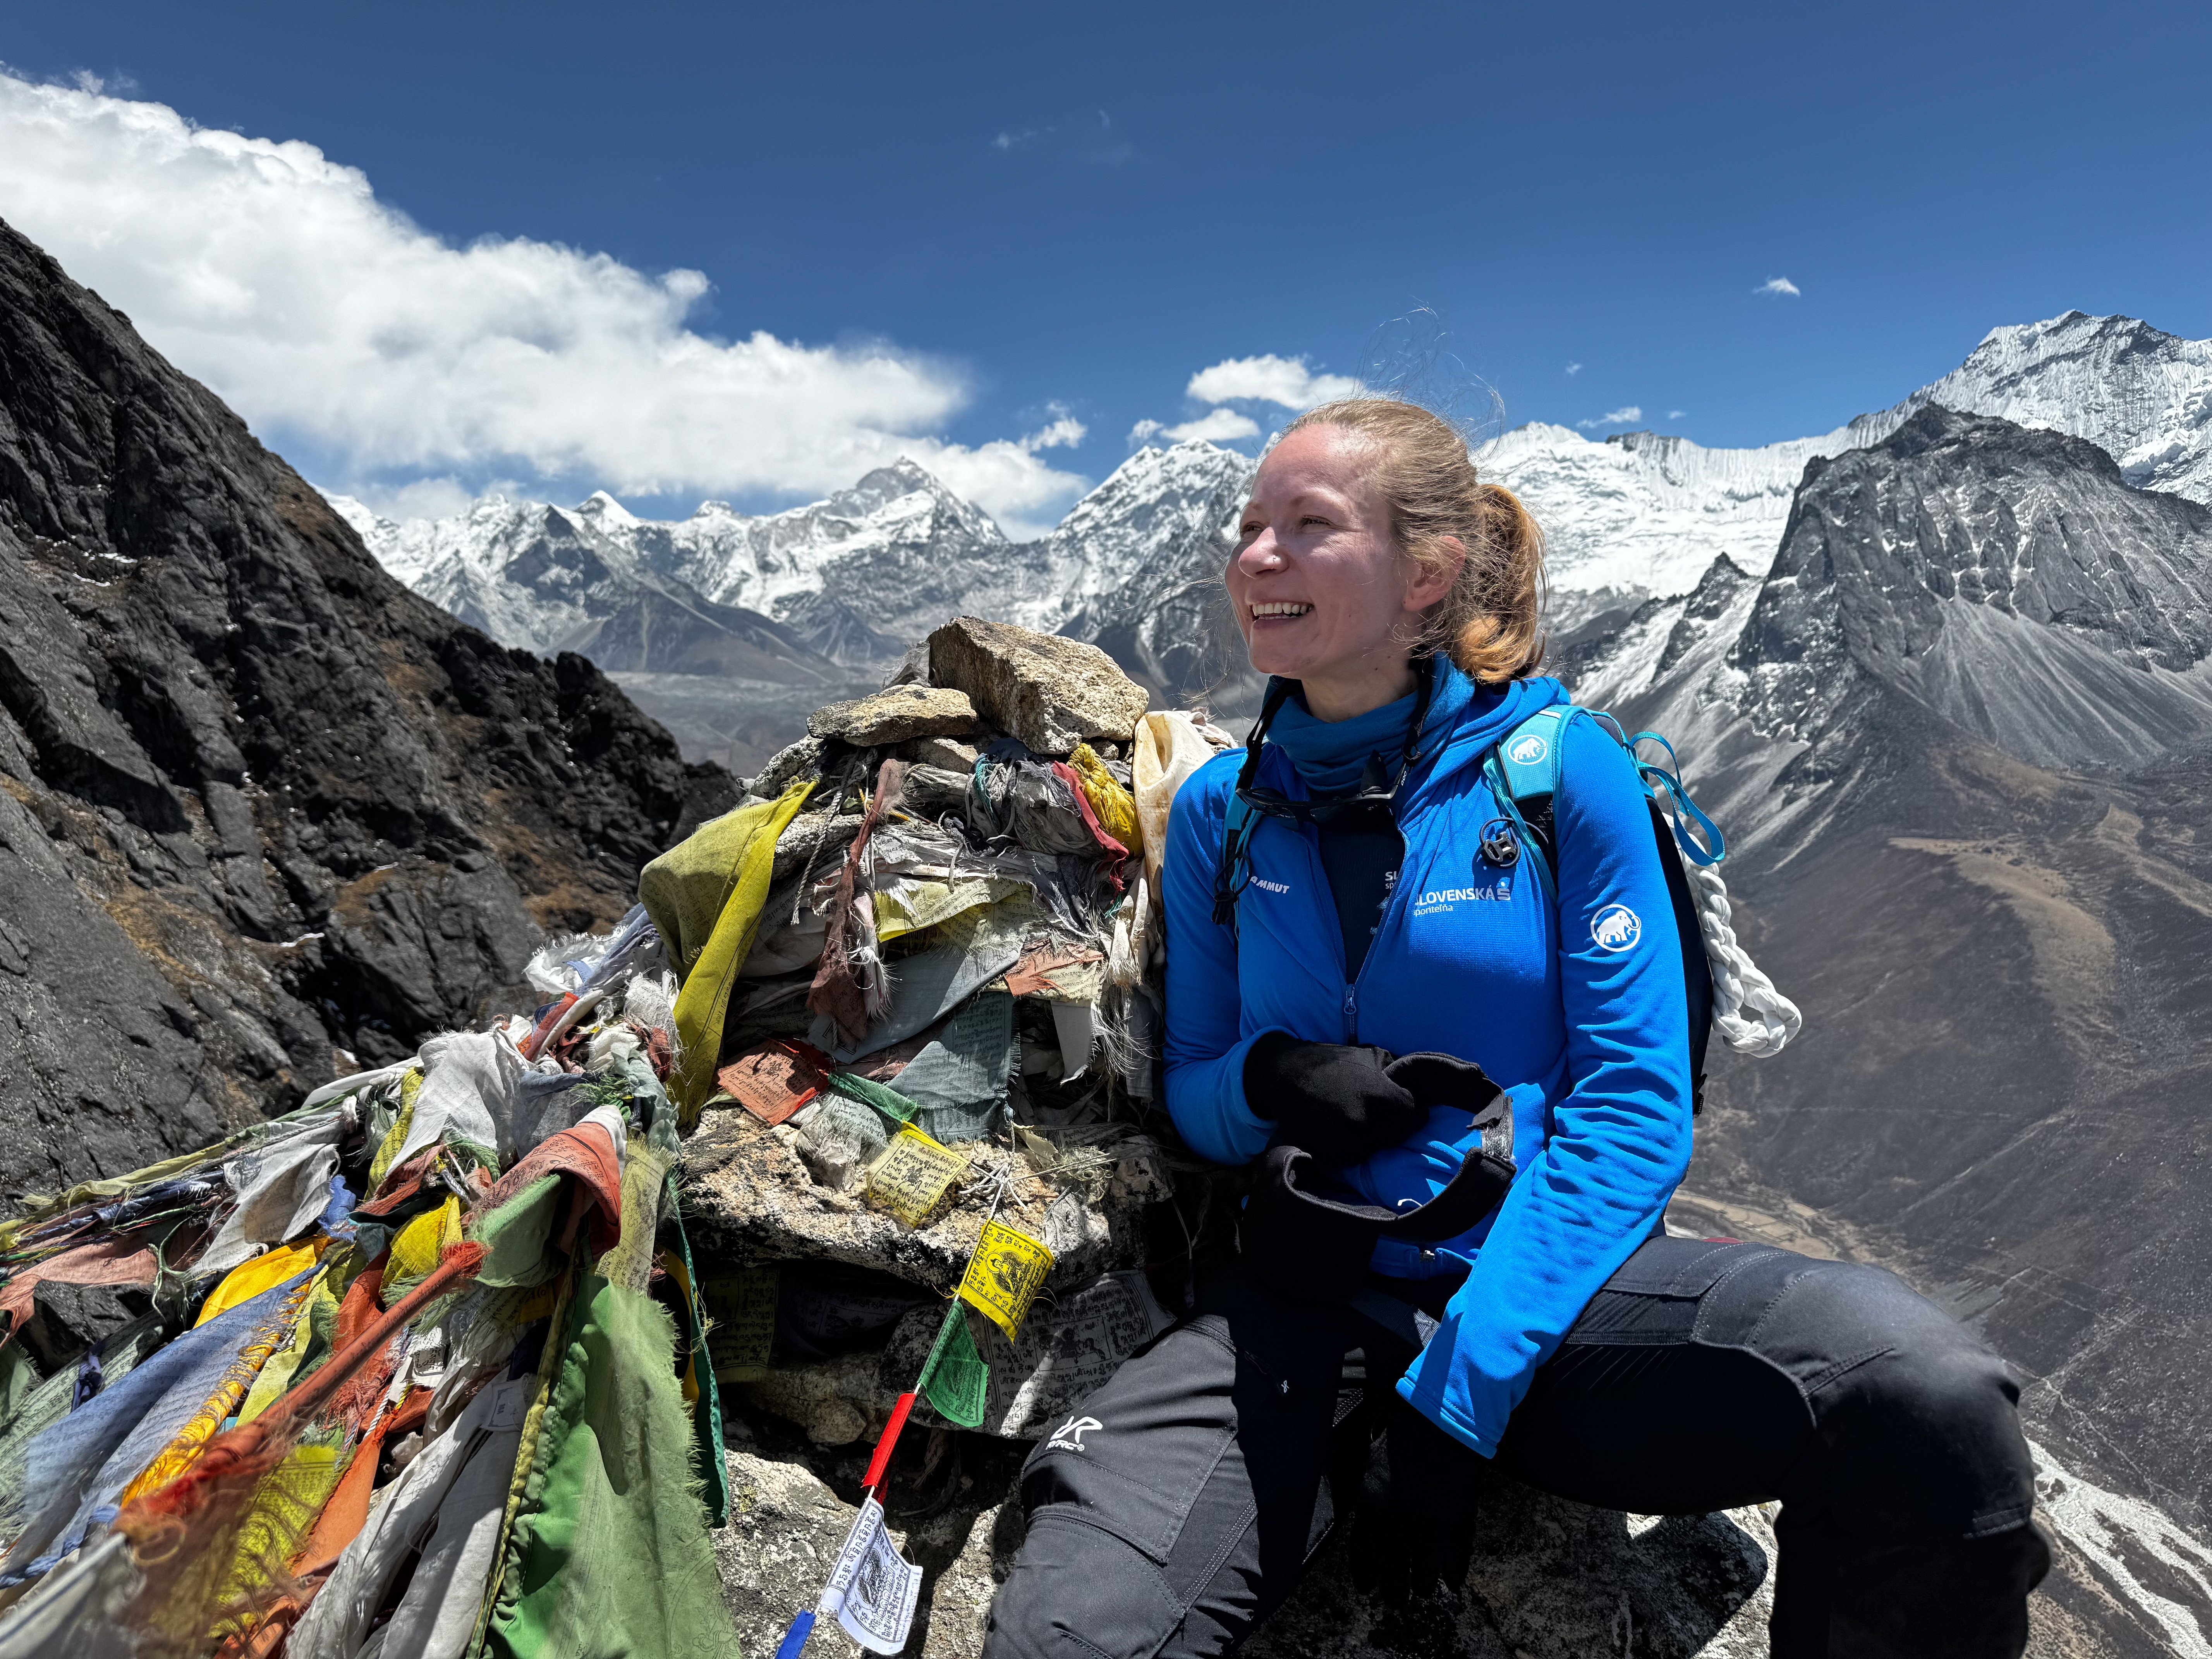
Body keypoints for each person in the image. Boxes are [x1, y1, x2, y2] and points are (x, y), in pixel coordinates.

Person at [982, 398, 2051, 1658]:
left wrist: (1457, 1398)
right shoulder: (1225, 811)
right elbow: (1197, 1091)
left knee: (1925, 1402)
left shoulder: (1558, 772)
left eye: (1307, 527)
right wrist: (1274, 1074)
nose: (1254, 557)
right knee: (1068, 1626)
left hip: (1542, 1303)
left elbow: (1633, 1105)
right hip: (1299, 1303)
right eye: (1249, 526)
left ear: (1425, 573)